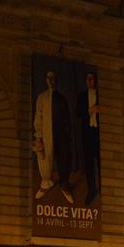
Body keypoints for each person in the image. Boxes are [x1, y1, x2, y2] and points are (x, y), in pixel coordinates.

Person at [33, 70, 74, 203]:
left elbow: (67, 117)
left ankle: (64, 184)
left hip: (61, 133)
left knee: (63, 157)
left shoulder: (61, 98)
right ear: (46, 80)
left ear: (56, 80)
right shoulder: (42, 97)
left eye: (53, 78)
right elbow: (38, 117)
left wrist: (67, 133)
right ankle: (46, 182)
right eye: (48, 78)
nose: (51, 81)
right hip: (46, 133)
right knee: (45, 158)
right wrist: (38, 135)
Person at [76, 71, 100, 206]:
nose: (90, 81)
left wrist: (100, 109)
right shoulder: (82, 96)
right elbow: (77, 112)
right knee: (89, 163)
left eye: (92, 79)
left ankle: (102, 188)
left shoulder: (101, 96)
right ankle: (91, 189)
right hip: (87, 132)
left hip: (98, 132)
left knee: (101, 162)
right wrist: (89, 110)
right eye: (88, 79)